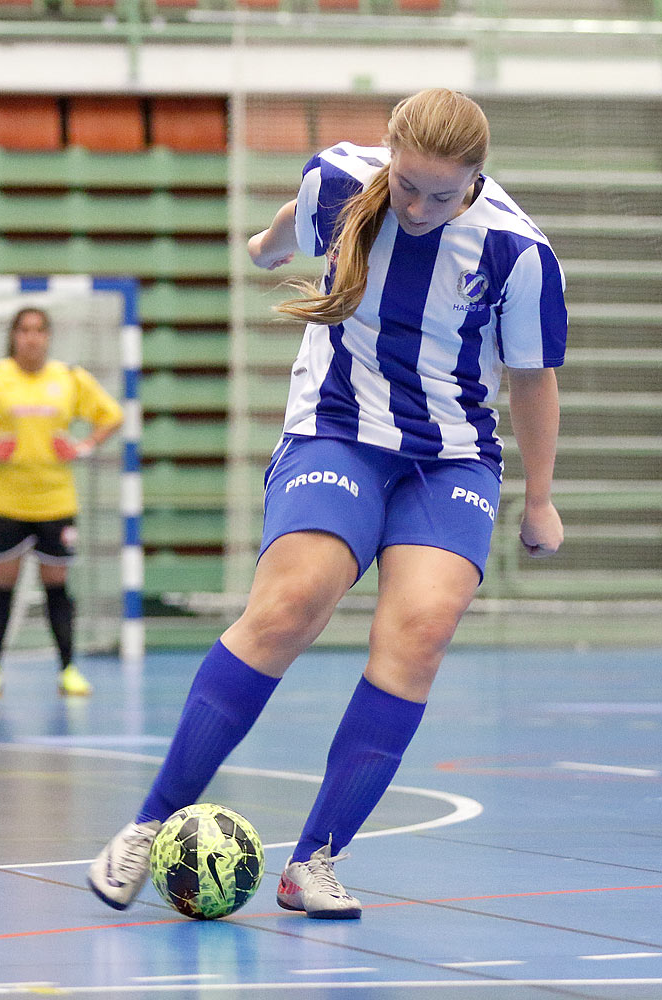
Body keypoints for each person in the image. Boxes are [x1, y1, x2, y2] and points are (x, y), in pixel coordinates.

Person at [86, 88, 565, 919]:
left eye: (441, 195)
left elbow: (532, 379)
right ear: (390, 154)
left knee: (419, 633)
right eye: (407, 185)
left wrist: (542, 500)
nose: (417, 207)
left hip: (449, 458)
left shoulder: (518, 254)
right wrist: (269, 247)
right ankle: (147, 823)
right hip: (336, 430)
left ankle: (316, 859)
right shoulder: (342, 182)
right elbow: (294, 217)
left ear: (477, 181)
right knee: (292, 602)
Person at [0, 306, 123, 698]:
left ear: (48, 337)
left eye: (39, 330)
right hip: (6, 502)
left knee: (57, 586)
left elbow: (112, 416)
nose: (32, 338)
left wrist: (84, 446)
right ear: (14, 336)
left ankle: (68, 669)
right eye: (25, 330)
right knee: (4, 585)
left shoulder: (69, 379)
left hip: (56, 502)